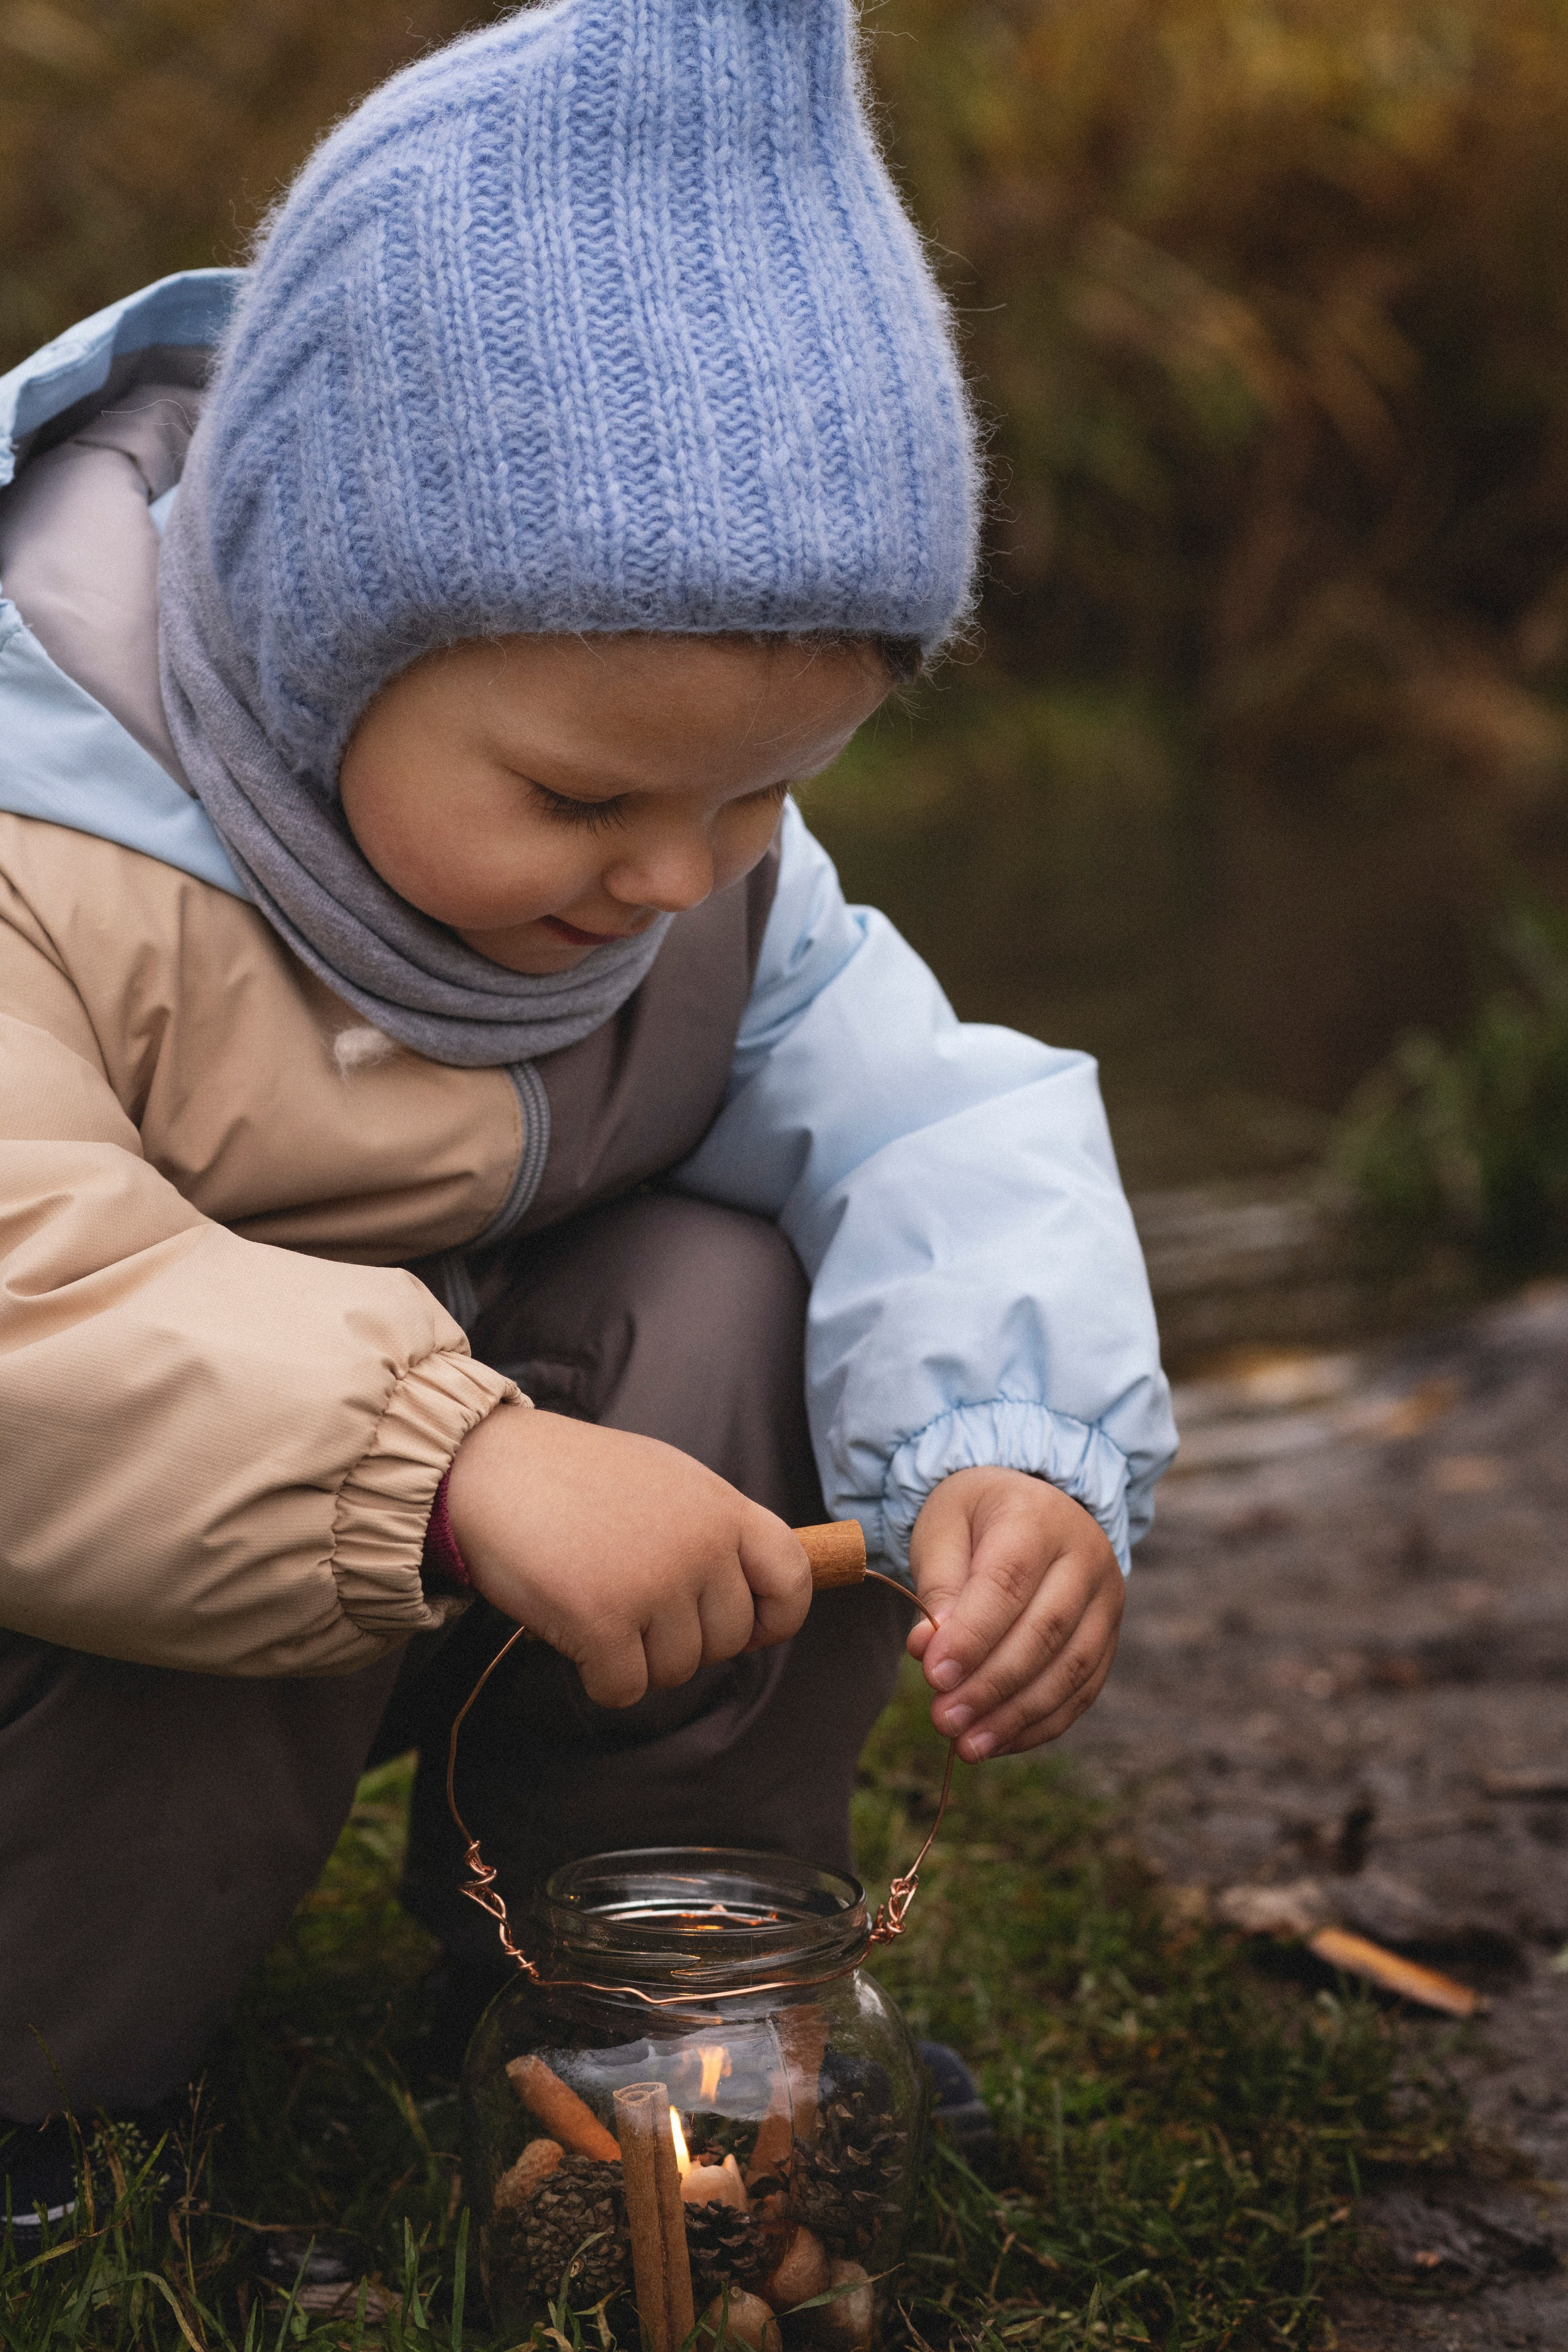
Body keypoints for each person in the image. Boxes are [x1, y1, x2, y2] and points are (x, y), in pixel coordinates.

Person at [0, 0, 1176, 2223]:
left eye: (762, 793)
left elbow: (925, 1126)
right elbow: (33, 1312)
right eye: (578, 798)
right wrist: (452, 1464)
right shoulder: (39, 846)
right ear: (316, 638)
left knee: (738, 1281)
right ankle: (41, 2073)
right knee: (161, 1485)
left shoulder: (690, 873)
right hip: (90, 1569)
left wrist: (1011, 1436)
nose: (669, 876)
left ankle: (631, 1971)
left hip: (409, 1524)